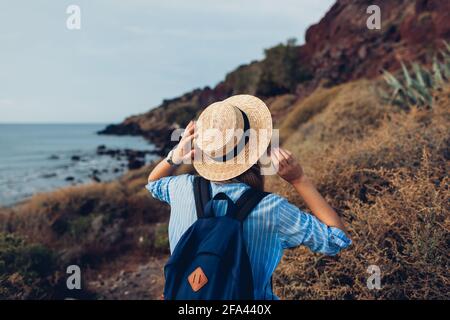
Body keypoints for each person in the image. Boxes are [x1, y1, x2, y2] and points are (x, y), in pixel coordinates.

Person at [147, 94, 351, 299]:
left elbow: (153, 184)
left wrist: (175, 155)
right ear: (254, 147)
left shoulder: (181, 187)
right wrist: (299, 180)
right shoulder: (272, 208)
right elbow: (337, 240)